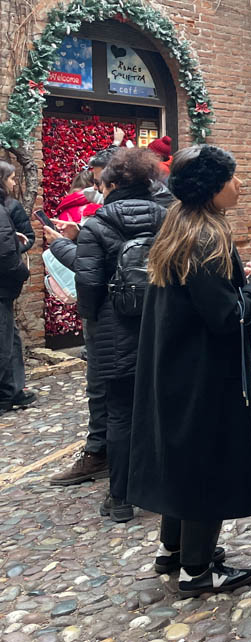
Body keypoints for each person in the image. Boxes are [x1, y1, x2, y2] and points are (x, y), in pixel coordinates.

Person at [127, 145, 251, 595]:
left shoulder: (180, 226)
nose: (240, 184)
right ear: (212, 187)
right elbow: (226, 317)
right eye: (232, 177)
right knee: (206, 461)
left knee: (180, 457)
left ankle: (173, 549)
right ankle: (197, 569)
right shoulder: (207, 239)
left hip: (173, 366)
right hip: (204, 375)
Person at [44, 148, 166, 520]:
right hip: (161, 327)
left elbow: (90, 285)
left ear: (111, 185)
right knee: (160, 409)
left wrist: (93, 324)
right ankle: (164, 489)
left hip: (116, 331)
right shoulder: (168, 219)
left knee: (119, 413)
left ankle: (120, 499)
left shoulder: (97, 225)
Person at [0, 165, 32, 413]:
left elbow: (26, 236)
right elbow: (6, 253)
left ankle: (13, 389)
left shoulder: (11, 207)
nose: (14, 183)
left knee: (10, 338)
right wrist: (22, 272)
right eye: (11, 179)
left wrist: (19, 242)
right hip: (4, 282)